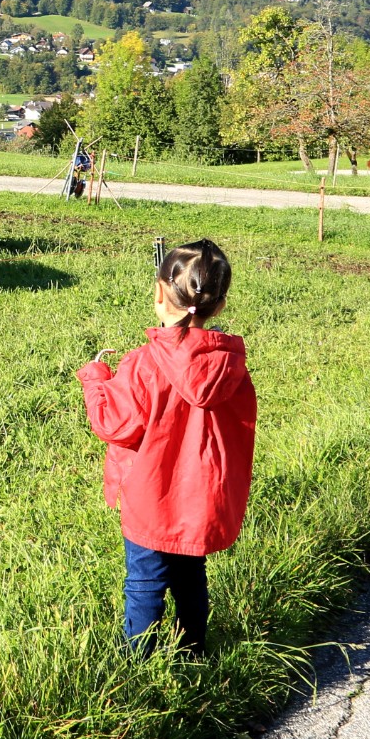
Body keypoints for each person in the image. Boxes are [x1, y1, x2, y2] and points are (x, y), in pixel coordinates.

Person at [75, 239, 255, 655]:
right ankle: (193, 651)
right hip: (201, 501)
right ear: (220, 305)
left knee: (144, 581)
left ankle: (138, 664)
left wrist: (95, 378)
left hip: (151, 499)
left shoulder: (142, 362)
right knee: (192, 575)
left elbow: (112, 424)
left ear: (159, 293)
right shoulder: (230, 365)